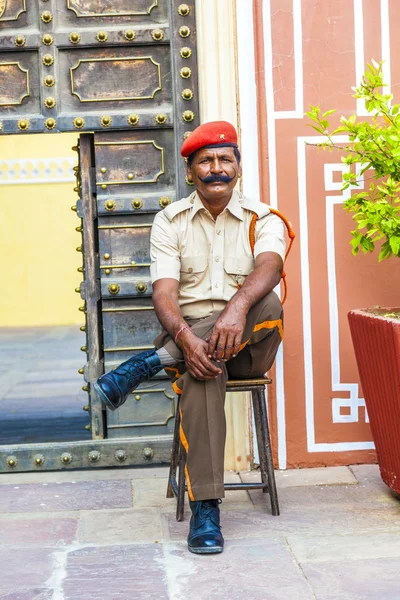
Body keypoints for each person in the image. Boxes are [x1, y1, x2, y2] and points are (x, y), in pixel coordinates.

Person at [94, 121, 285, 555]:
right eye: (206, 161)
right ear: (190, 171)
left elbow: (270, 268)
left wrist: (236, 309)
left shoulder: (263, 219)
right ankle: (206, 508)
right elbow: (163, 292)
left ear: (238, 166)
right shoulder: (169, 221)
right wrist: (186, 336)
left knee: (268, 302)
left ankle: (150, 362)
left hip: (251, 346)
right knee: (202, 372)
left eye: (224, 159)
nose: (216, 168)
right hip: (192, 347)